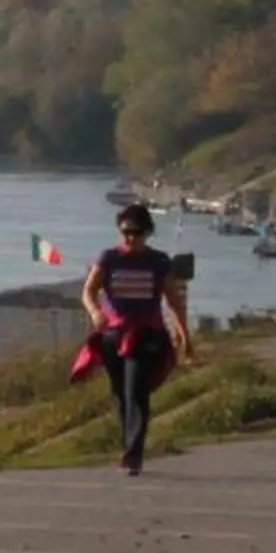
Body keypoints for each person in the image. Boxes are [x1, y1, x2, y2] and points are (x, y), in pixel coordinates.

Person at [80, 203, 194, 475]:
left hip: (146, 333)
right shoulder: (108, 258)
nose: (130, 238)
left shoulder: (158, 262)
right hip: (112, 333)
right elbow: (88, 291)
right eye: (125, 232)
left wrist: (184, 334)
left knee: (136, 392)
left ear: (148, 232)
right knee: (120, 392)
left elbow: (174, 301)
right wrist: (95, 312)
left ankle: (133, 455)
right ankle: (128, 446)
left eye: (136, 232)